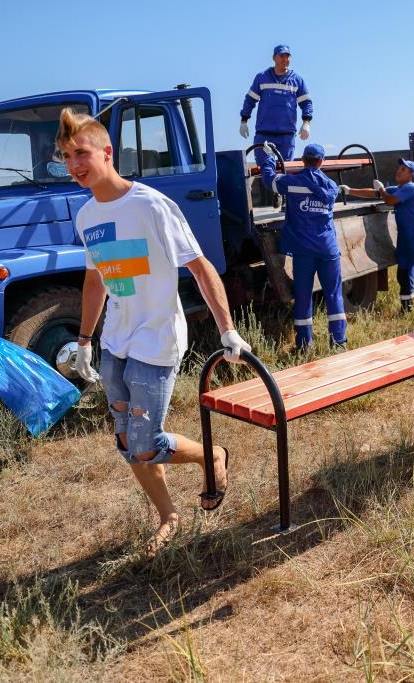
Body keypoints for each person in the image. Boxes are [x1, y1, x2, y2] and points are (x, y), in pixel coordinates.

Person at [56, 107, 252, 557]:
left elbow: (200, 268)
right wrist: (85, 341)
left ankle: (212, 455)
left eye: (81, 153)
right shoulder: (85, 217)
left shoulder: (150, 206)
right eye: (67, 157)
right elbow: (95, 280)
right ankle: (168, 517)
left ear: (107, 152)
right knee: (127, 443)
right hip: (115, 342)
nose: (74, 165)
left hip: (156, 338)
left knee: (145, 441)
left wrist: (228, 330)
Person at [258, 141, 347, 349]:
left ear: (302, 160)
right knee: (334, 294)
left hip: (303, 251)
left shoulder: (293, 182)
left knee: (304, 295)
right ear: (322, 162)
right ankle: (339, 341)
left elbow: (269, 180)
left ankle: (304, 343)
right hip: (328, 249)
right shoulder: (332, 186)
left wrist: (269, 158)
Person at [342, 159, 414, 313]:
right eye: (399, 168)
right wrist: (350, 191)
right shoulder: (399, 188)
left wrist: (382, 189)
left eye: (403, 169)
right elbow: (373, 193)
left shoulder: (411, 188)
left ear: (411, 174)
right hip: (404, 237)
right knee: (403, 273)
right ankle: (406, 308)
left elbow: (389, 200)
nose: (399, 170)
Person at [240, 44, 313, 165]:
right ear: (274, 57)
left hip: (287, 136)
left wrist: (306, 122)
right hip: (264, 135)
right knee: (264, 169)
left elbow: (306, 103)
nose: (285, 59)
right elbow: (250, 100)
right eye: (282, 56)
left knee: (285, 171)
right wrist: (244, 120)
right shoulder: (262, 77)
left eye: (288, 56)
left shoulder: (297, 80)